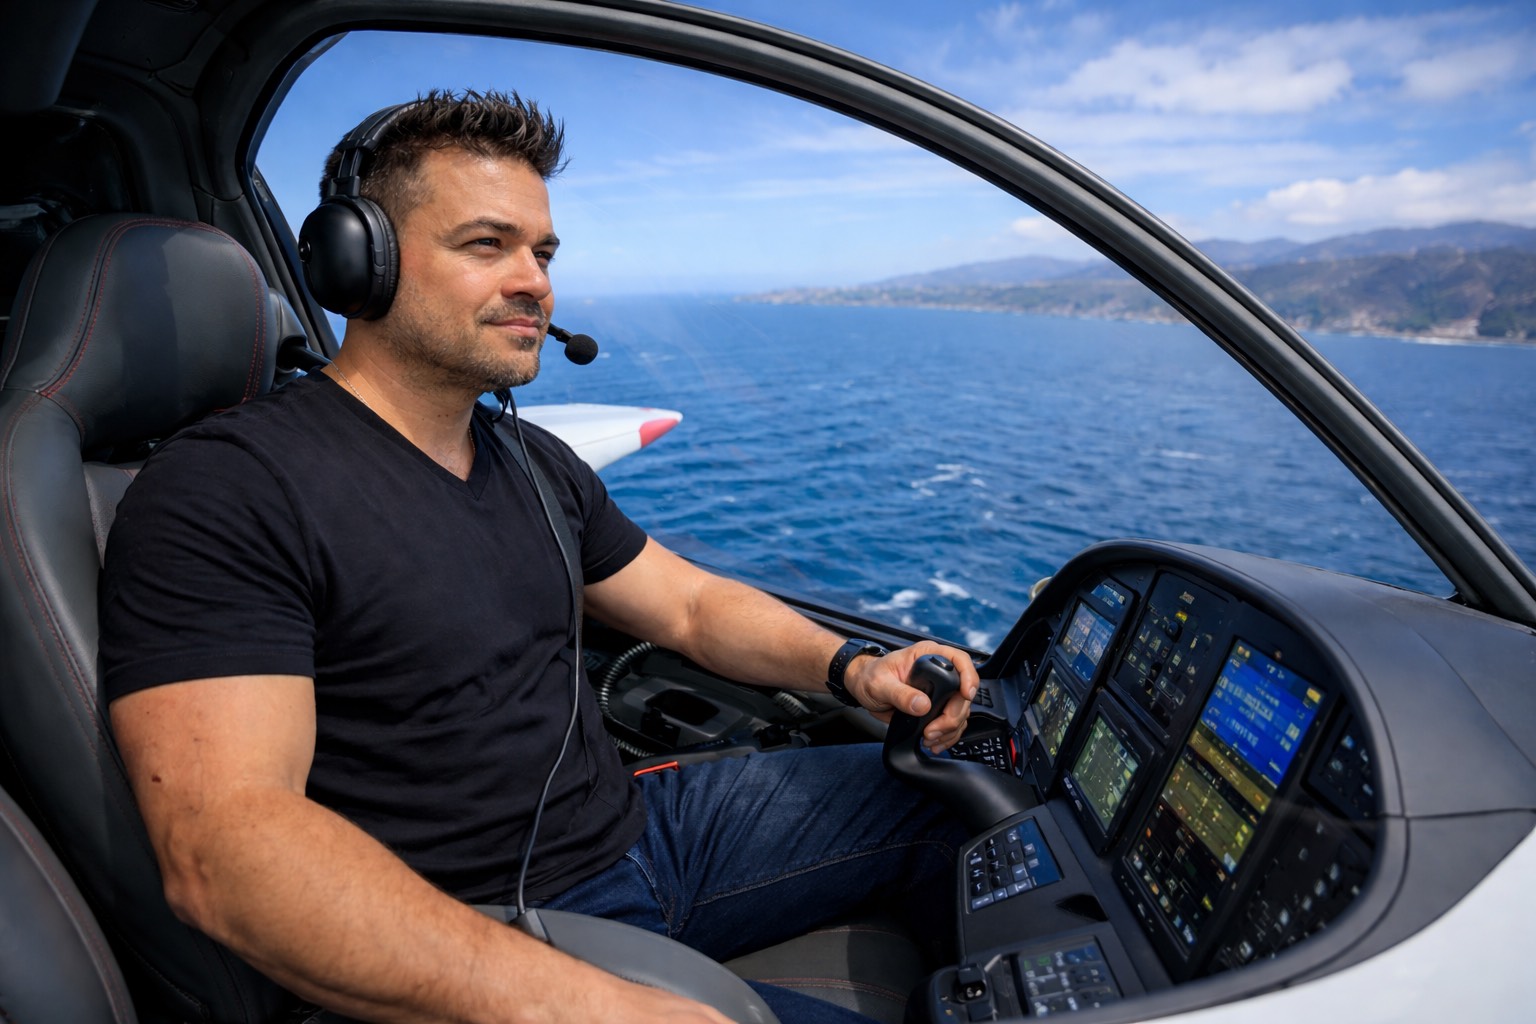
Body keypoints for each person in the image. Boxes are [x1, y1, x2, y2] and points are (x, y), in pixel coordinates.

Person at [101, 90, 979, 1024]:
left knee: (974, 790)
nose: (535, 283)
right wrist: (607, 1010)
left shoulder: (530, 455)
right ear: (361, 260)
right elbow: (226, 848)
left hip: (645, 836)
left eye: (544, 253)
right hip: (479, 920)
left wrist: (854, 667)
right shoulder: (229, 490)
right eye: (488, 245)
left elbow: (688, 607)